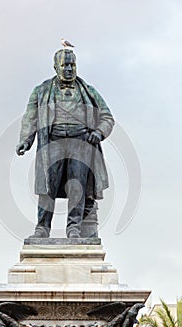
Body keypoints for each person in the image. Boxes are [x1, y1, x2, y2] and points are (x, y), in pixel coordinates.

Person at [16, 49, 114, 238]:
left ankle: (74, 228)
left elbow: (107, 116)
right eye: (64, 65)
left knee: (78, 186)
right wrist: (25, 140)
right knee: (48, 185)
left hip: (81, 142)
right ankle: (42, 227)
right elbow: (30, 118)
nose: (69, 69)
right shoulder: (41, 90)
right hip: (53, 142)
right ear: (55, 67)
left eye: (72, 65)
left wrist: (99, 132)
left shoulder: (88, 91)